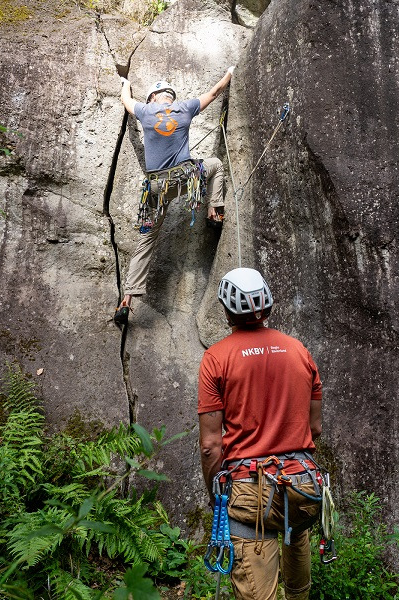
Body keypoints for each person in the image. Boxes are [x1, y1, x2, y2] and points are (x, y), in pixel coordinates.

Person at [198, 267, 324, 600]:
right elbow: (314, 429)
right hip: (302, 488)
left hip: (250, 492)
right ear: (266, 305)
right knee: (297, 552)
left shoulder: (216, 359)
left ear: (226, 309)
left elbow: (211, 446)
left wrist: (216, 496)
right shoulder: (299, 351)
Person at [115, 68, 234, 320]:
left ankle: (127, 299)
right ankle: (215, 211)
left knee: (146, 240)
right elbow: (214, 93)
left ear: (153, 97)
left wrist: (125, 81)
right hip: (184, 179)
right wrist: (229, 73)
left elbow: (126, 102)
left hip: (156, 189)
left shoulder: (146, 112)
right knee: (216, 165)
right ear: (169, 95)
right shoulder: (185, 108)